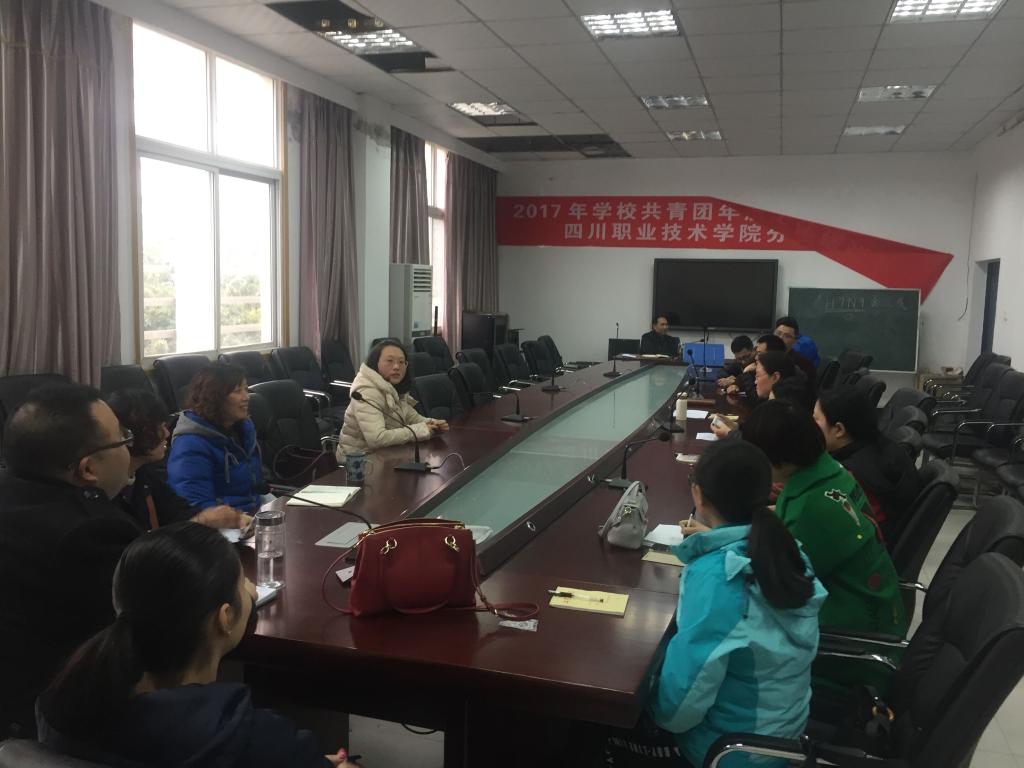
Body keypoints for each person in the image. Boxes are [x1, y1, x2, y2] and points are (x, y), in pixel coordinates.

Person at [37, 522, 358, 768]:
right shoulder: (248, 739)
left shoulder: (63, 704)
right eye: (242, 583)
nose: (250, 588)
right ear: (225, 618)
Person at [618, 440, 826, 768]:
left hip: (732, 752)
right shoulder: (786, 548)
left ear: (698, 494)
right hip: (784, 733)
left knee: (605, 728)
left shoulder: (720, 578)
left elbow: (679, 710)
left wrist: (647, 708)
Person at [0, 384, 142, 738]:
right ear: (88, 469)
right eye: (122, 438)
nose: (128, 447)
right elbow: (149, 631)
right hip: (52, 723)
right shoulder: (92, 532)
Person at [739, 399, 906, 638]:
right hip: (876, 609)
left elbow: (774, 584)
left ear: (781, 459)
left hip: (853, 634)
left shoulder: (810, 510)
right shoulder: (830, 471)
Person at [107, 389, 251, 531]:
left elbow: (179, 512)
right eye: (160, 427)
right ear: (139, 433)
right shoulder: (110, 494)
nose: (167, 433)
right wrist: (203, 520)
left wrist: (213, 516)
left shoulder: (144, 475)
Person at [814, 387, 920, 544]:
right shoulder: (877, 444)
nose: (810, 426)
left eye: (816, 420)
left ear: (839, 430)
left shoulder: (853, 475)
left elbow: (847, 529)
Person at [167, 364, 263, 513]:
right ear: (215, 397)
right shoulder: (190, 444)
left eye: (246, 389)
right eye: (237, 391)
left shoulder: (243, 428)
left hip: (256, 510)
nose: (246, 397)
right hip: (225, 521)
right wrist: (237, 519)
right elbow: (196, 506)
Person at [337, 341, 448, 459]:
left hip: (387, 454)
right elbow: (377, 438)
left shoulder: (393, 387)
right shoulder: (366, 393)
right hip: (359, 460)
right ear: (375, 363)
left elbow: (411, 417)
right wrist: (420, 430)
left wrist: (432, 424)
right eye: (390, 361)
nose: (396, 367)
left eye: (401, 362)